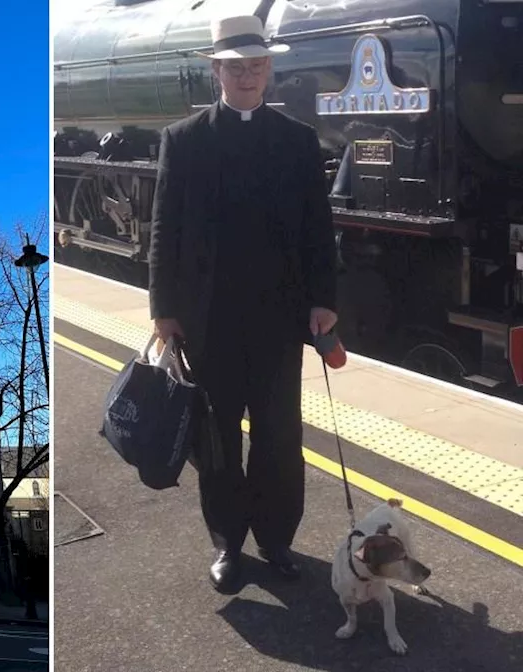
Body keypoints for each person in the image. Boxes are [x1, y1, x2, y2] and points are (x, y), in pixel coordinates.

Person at [148, 14, 338, 593]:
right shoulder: (183, 140)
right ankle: (228, 542)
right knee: (219, 439)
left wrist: (324, 301)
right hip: (210, 322)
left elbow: (317, 229)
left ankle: (276, 537)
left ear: (268, 69)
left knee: (281, 436)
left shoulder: (298, 140)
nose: (249, 75)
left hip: (279, 320)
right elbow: (163, 230)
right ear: (217, 71)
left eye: (258, 65)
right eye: (237, 66)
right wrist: (164, 309)